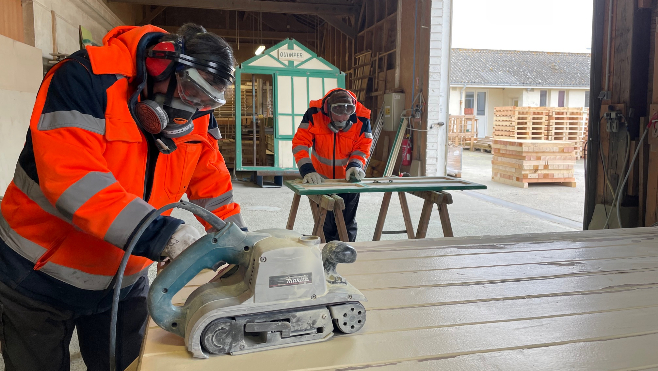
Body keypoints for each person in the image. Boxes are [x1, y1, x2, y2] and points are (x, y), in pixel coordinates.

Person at [0, 23, 246, 371]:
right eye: (191, 93)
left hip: (124, 283)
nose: (190, 110)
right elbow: (74, 181)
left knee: (128, 366)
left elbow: (211, 183)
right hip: (37, 276)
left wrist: (239, 242)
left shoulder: (195, 114)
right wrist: (164, 235)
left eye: (208, 102)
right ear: (160, 64)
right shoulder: (84, 79)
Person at [292, 89, 372, 242]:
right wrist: (307, 170)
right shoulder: (313, 115)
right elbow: (300, 143)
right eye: (338, 113)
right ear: (328, 109)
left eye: (347, 114)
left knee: (347, 224)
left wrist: (356, 165)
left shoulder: (362, 119)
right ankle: (326, 258)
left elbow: (362, 147)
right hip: (322, 181)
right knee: (326, 224)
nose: (342, 119)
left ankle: (346, 255)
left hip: (348, 181)